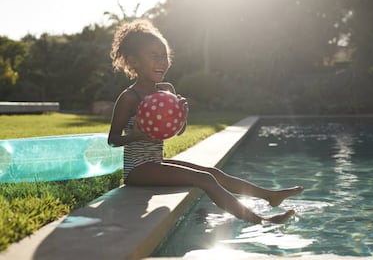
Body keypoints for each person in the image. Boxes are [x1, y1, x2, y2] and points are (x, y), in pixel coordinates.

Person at [108, 19, 303, 224]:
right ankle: (261, 220)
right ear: (134, 61)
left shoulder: (166, 91)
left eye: (164, 56)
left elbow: (177, 131)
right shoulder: (130, 97)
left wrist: (181, 115)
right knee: (205, 180)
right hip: (137, 171)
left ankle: (269, 195)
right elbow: (112, 139)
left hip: (155, 163)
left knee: (212, 172)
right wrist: (135, 136)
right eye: (154, 57)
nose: (162, 62)